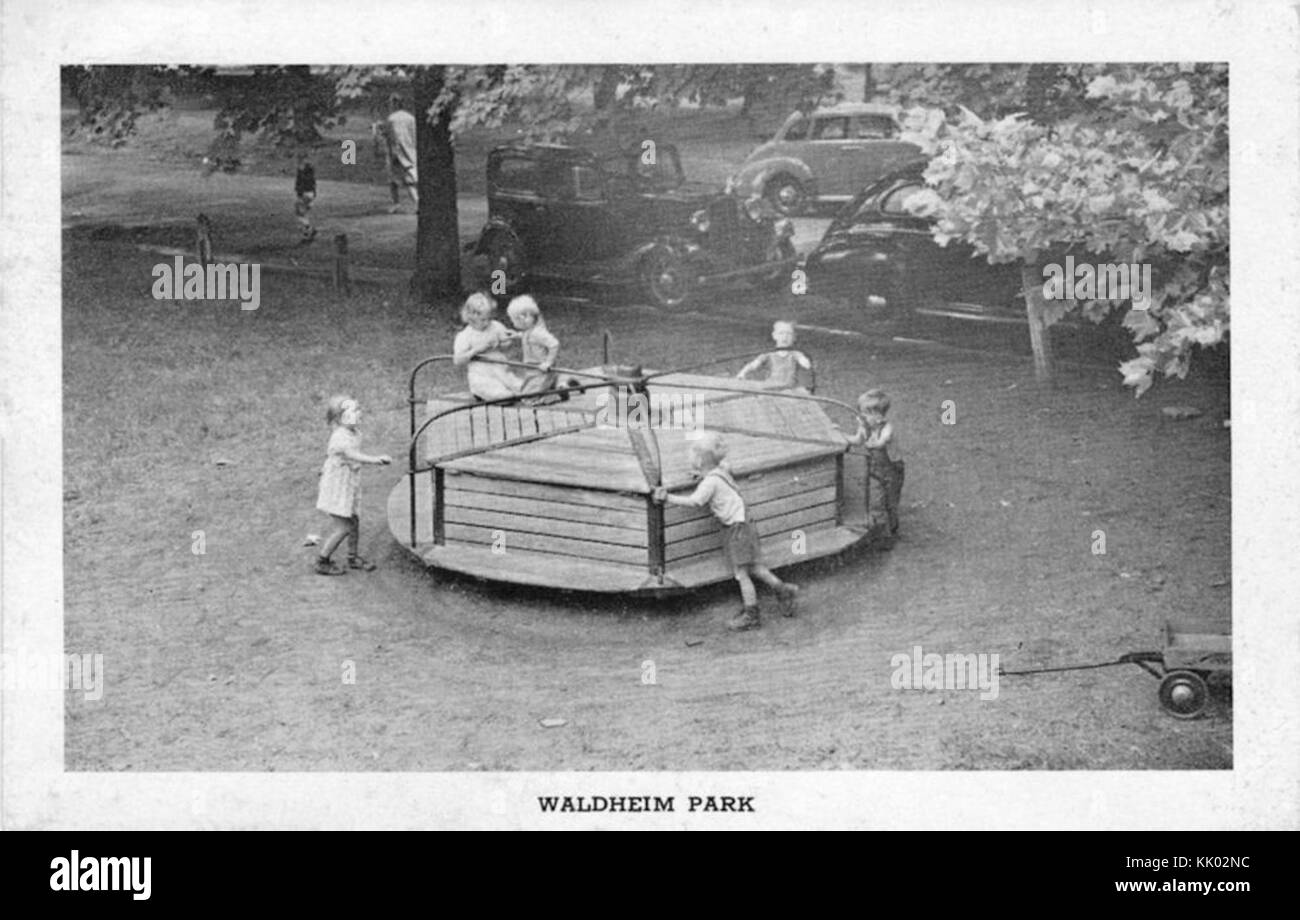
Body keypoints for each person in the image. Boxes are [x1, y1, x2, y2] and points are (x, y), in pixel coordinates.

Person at [653, 432, 799, 631]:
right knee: (754, 566)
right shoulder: (721, 470)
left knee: (741, 574)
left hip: (736, 529)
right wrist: (703, 474)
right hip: (745, 523)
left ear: (700, 461)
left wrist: (667, 498)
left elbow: (696, 501)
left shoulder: (709, 483)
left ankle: (752, 615)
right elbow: (722, 468)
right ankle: (783, 589)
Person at [314, 396, 392, 575]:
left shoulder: (355, 432)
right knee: (344, 526)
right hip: (337, 487)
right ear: (341, 418)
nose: (359, 413)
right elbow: (350, 454)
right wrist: (376, 460)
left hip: (347, 483)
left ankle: (352, 557)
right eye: (354, 411)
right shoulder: (340, 436)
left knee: (354, 520)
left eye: (358, 409)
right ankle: (322, 560)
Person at [843, 388, 904, 535]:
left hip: (892, 471)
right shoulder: (865, 427)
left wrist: (874, 443)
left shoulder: (887, 428)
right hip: (875, 469)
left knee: (891, 501)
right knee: (876, 499)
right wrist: (840, 434)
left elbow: (882, 442)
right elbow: (857, 440)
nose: (860, 417)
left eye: (864, 414)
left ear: (878, 416)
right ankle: (880, 529)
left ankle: (893, 528)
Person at [453, 292, 522, 401]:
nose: (487, 323)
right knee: (503, 396)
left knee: (524, 389)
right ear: (471, 317)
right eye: (483, 320)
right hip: (482, 376)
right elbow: (458, 360)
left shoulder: (495, 326)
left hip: (502, 372)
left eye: (489, 318)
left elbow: (506, 345)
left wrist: (505, 341)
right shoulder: (465, 336)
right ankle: (499, 396)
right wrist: (476, 350)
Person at [505, 295, 561, 398]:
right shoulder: (529, 330)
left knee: (531, 398)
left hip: (543, 370)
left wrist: (548, 362)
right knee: (525, 393)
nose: (513, 323)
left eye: (513, 320)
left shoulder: (538, 333)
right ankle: (557, 388)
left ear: (523, 319)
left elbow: (554, 344)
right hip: (533, 369)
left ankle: (560, 393)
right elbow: (528, 338)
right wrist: (517, 335)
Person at [374, 93, 419, 213]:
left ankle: (399, 203)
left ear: (393, 104)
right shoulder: (410, 118)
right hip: (411, 151)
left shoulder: (392, 119)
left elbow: (390, 136)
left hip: (397, 153)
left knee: (398, 180)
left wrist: (379, 129)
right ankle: (409, 203)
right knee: (407, 179)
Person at [736, 320, 811, 390]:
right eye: (781, 333)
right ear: (774, 336)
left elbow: (805, 363)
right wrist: (743, 372)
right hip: (771, 388)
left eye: (789, 334)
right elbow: (754, 365)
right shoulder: (768, 354)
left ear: (794, 337)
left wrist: (804, 361)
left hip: (788, 389)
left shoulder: (795, 354)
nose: (785, 337)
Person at [294, 152, 318, 244]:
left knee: (300, 214)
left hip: (305, 194)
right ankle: (309, 231)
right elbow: (313, 184)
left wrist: (299, 194)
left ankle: (308, 232)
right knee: (303, 214)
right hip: (311, 194)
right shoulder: (310, 171)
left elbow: (299, 184)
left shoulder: (301, 172)